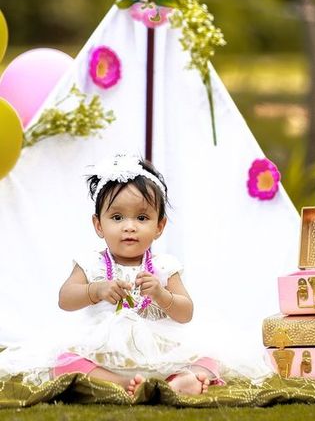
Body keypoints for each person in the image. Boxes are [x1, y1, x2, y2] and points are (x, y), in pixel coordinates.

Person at [55, 154, 225, 396]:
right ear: (98, 225)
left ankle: (181, 378)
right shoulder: (90, 263)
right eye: (117, 217)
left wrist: (161, 294)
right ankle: (119, 382)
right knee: (64, 361)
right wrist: (96, 289)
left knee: (209, 357)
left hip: (161, 350)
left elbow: (186, 312)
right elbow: (65, 299)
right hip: (105, 351)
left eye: (142, 218)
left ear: (159, 226)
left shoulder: (164, 266)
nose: (129, 226)